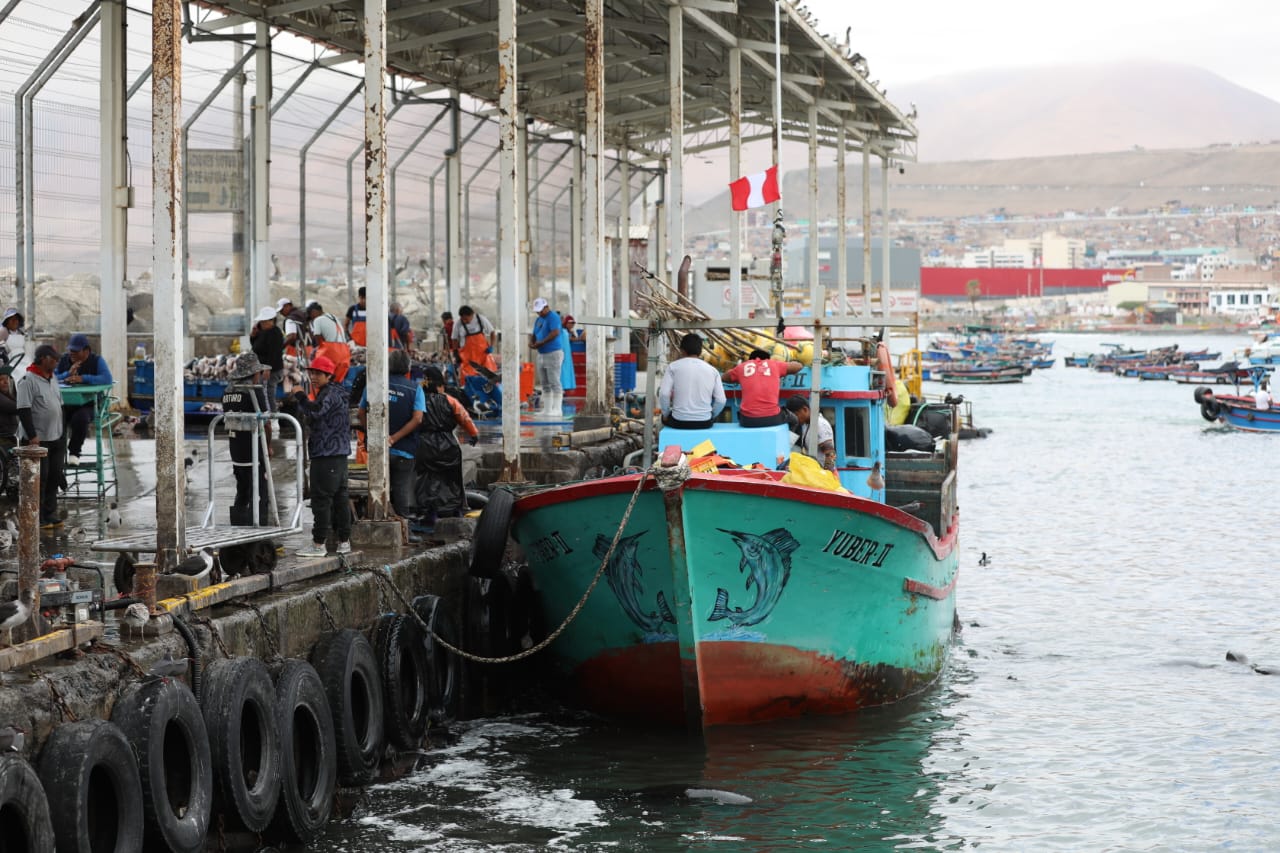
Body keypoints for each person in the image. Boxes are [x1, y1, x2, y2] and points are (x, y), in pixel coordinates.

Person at [290, 355, 352, 557]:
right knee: (340, 499)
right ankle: (344, 542)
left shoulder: (329, 394)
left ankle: (318, 544)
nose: (313, 377)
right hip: (339, 456)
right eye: (311, 373)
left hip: (326, 456)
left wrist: (300, 396)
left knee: (322, 500)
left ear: (328, 375)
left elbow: (315, 412)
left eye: (318, 373)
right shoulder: (338, 393)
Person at [357, 349, 424, 522]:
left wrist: (372, 434)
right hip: (404, 450)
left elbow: (362, 411)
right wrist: (394, 438)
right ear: (408, 368)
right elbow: (417, 419)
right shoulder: (415, 389)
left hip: (378, 448)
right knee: (401, 488)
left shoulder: (374, 385)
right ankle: (402, 527)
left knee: (378, 487)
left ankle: (376, 520)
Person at [416, 365, 478, 523]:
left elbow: (413, 421)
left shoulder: (419, 400)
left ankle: (429, 513)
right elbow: (464, 417)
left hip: (425, 444)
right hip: (448, 444)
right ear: (439, 385)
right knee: (452, 478)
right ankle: (454, 509)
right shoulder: (450, 400)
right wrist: (473, 434)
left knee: (426, 480)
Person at [222, 352, 273, 526]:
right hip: (254, 450)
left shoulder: (227, 392)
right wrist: (269, 445)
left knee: (242, 490)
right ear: (254, 374)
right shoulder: (254, 392)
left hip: (236, 450)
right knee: (260, 492)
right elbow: (265, 423)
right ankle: (258, 532)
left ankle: (238, 525)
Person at [17, 344, 64, 528]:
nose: (56, 361)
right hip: (38, 438)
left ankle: (49, 513)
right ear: (43, 358)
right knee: (39, 480)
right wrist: (32, 435)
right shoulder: (28, 380)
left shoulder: (53, 379)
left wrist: (62, 433)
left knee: (54, 476)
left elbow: (59, 407)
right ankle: (37, 517)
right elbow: (23, 409)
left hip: (56, 436)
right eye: (53, 358)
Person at [55, 333, 113, 465]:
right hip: (67, 402)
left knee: (80, 418)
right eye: (71, 350)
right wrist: (67, 375)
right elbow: (53, 377)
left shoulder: (97, 361)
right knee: (56, 417)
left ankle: (74, 452)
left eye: (76, 351)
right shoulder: (64, 360)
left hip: (90, 404)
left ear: (86, 351)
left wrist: (83, 378)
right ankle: (57, 454)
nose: (72, 353)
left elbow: (107, 378)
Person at [658, 333, 726, 429]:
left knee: (661, 421)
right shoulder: (713, 370)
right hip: (704, 422)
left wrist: (665, 415)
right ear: (700, 351)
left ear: (682, 350)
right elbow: (721, 400)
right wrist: (711, 415)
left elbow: (664, 394)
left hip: (679, 421)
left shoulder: (673, 367)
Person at [723, 348, 802, 427]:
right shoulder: (774, 364)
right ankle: (789, 439)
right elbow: (798, 367)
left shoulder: (742, 367)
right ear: (767, 359)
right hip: (772, 418)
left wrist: (740, 377)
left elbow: (724, 377)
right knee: (794, 420)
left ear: (750, 360)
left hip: (747, 420)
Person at [529, 297, 565, 416]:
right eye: (537, 311)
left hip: (553, 353)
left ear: (546, 307)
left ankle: (557, 409)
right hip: (541, 353)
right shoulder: (539, 319)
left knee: (554, 381)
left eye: (540, 310)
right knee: (544, 382)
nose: (539, 312)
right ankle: (548, 410)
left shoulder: (553, 317)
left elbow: (555, 332)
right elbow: (534, 333)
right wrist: (532, 342)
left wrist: (542, 342)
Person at [784, 396, 837, 472]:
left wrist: (828, 474)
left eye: (796, 415)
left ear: (805, 409)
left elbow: (830, 453)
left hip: (821, 473)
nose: (795, 418)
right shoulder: (805, 425)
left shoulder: (820, 425)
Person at [306, 301, 351, 383]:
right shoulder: (334, 317)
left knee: (321, 381)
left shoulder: (317, 320)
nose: (312, 319)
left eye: (311, 316)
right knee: (337, 382)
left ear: (313, 312)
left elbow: (318, 339)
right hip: (345, 352)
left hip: (331, 352)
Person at [250, 305, 285, 410]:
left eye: (265, 322)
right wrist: (253, 336)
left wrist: (267, 368)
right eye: (261, 322)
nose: (262, 324)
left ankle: (272, 417)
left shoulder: (275, 333)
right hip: (262, 368)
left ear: (272, 321)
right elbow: (256, 347)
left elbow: (273, 353)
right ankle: (265, 415)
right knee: (262, 392)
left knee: (268, 393)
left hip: (272, 370)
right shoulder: (262, 331)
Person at [451, 305, 496, 382]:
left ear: (472, 315)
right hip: (467, 358)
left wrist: (492, 346)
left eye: (466, 319)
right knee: (468, 378)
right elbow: (454, 339)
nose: (465, 321)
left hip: (483, 355)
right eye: (463, 319)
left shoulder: (480, 319)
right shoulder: (458, 324)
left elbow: (492, 332)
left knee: (488, 376)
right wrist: (455, 353)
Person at [0, 366, 18, 449]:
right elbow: (16, 408)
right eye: (1, 379)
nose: (6, 382)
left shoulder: (7, 395)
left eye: (7, 379)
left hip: (8, 438)